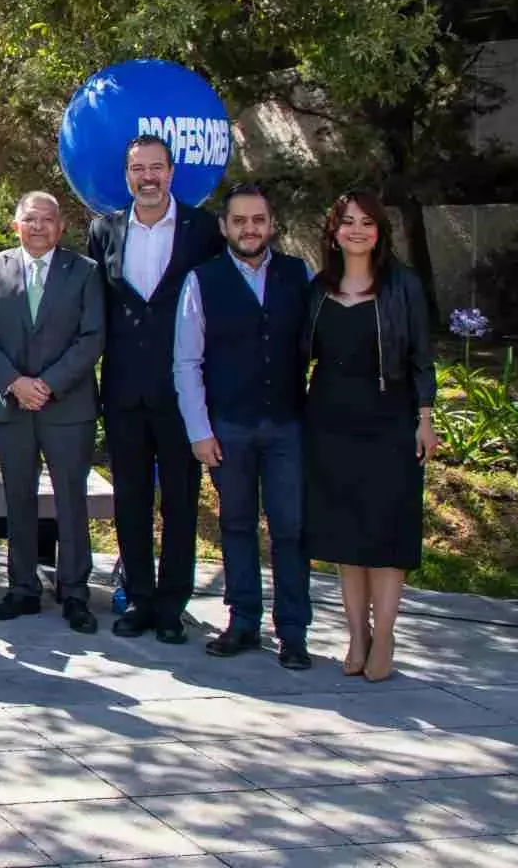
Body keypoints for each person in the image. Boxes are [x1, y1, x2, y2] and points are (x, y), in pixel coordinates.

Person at [86, 135, 225, 643]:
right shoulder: (105, 231)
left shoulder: (203, 230)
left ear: (172, 172)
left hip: (182, 389)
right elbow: (97, 308)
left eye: (156, 168)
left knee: (182, 501)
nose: (147, 177)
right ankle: (140, 598)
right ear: (127, 175)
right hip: (123, 388)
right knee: (131, 500)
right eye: (138, 168)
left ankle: (172, 605)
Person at [172, 183, 315, 670]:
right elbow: (186, 362)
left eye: (258, 220)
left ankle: (293, 631)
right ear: (224, 227)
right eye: (240, 221)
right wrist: (199, 430)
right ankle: (244, 621)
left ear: (271, 225)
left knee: (291, 529)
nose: (249, 229)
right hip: (227, 427)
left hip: (288, 426)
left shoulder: (300, 275)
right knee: (236, 526)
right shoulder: (202, 280)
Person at [302, 190, 437, 682]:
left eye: (367, 222)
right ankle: (357, 635)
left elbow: (422, 356)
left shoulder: (403, 286)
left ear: (380, 231)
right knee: (346, 537)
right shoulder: (317, 289)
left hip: (389, 419)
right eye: (347, 222)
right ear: (333, 232)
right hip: (330, 422)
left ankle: (386, 637)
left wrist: (425, 416)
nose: (357, 230)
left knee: (385, 533)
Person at [0, 192, 106, 632]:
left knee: (71, 500)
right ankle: (22, 588)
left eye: (48, 220)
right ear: (16, 225)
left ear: (61, 227)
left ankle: (75, 593)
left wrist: (47, 384)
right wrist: (17, 383)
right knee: (19, 499)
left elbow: (91, 338)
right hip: (12, 407)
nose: (39, 227)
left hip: (67, 407)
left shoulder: (84, 272)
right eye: (31, 219)